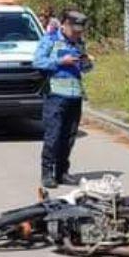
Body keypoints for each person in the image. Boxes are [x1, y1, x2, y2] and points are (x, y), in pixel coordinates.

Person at [34, 10, 93, 188]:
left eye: (79, 32)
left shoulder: (79, 43)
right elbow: (38, 62)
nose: (77, 35)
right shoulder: (50, 39)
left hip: (75, 94)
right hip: (55, 95)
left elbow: (85, 69)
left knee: (69, 137)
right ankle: (47, 173)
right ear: (65, 24)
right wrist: (61, 62)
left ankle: (62, 172)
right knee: (53, 135)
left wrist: (86, 63)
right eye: (74, 31)